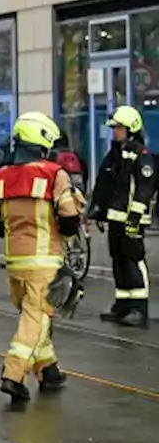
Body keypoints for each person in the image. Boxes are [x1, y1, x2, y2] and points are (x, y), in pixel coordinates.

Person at [0, 111, 84, 402]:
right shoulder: (54, 174)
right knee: (36, 320)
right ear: (41, 141)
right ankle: (13, 375)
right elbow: (70, 220)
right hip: (45, 261)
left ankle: (49, 370)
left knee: (34, 317)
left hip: (15, 263)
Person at [89, 105, 155, 328]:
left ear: (131, 128)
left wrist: (135, 218)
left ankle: (139, 308)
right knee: (118, 259)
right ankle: (123, 304)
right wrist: (98, 210)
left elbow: (144, 189)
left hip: (131, 220)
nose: (115, 132)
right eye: (114, 128)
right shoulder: (115, 154)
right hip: (115, 218)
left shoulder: (142, 156)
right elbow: (104, 184)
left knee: (133, 260)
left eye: (119, 128)